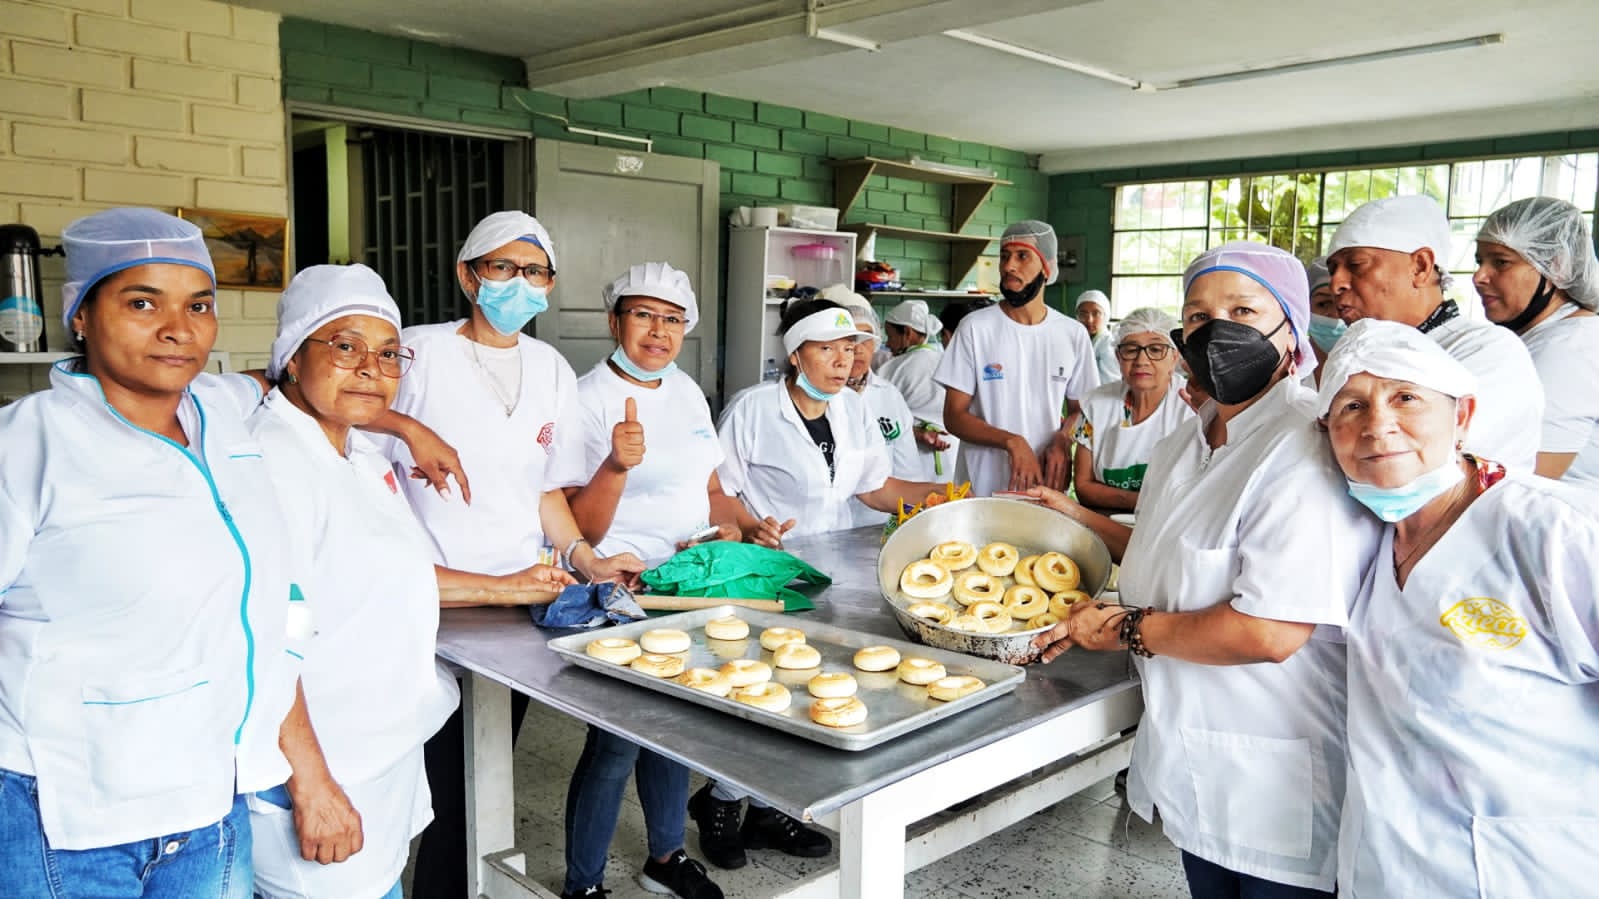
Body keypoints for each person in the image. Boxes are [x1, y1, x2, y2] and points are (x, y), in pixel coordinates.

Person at [1031, 242, 1381, 897]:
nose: (1216, 330)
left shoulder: (1302, 448)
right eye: (1196, 316)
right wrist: (1071, 527)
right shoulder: (1182, 444)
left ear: (1291, 331)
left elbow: (1269, 631)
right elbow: (1161, 554)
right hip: (1193, 761)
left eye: (1243, 311)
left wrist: (1125, 628)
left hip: (1275, 774)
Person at [0, 208, 295, 897]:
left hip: (214, 800)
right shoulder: (26, 444)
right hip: (70, 813)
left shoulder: (219, 414)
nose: (178, 329)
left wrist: (409, 429)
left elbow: (284, 377)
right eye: (141, 303)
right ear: (80, 314)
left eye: (199, 305)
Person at [398, 211, 644, 899]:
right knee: (424, 788)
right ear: (468, 276)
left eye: (534, 272)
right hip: (429, 597)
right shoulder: (417, 353)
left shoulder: (550, 369)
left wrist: (585, 557)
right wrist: (406, 424)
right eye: (503, 267)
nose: (519, 283)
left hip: (514, 605)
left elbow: (544, 491)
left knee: (478, 776)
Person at [1315, 318, 1599, 896]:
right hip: (1386, 869)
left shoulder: (1553, 532)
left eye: (1405, 397)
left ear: (1463, 416)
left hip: (1530, 871)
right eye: (1351, 406)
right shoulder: (1362, 540)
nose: (1378, 426)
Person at [247, 264, 460, 899]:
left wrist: (524, 585)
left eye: (389, 353)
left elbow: (390, 575)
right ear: (292, 358)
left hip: (371, 756)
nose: (371, 368)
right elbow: (262, 634)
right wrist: (311, 787)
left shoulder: (356, 453)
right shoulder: (272, 460)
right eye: (346, 346)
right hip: (316, 771)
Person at [556, 261, 731, 899]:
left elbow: (711, 489)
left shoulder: (687, 392)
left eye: (673, 319)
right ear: (615, 322)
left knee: (675, 724)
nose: (659, 331)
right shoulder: (583, 398)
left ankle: (665, 856)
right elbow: (577, 527)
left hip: (684, 583)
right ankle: (582, 885)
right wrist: (614, 464)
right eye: (644, 315)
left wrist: (739, 524)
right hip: (616, 589)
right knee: (617, 742)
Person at [1325, 195, 1543, 470]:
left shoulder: (1487, 352)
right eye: (1332, 270)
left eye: (1356, 265)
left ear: (1420, 267)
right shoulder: (1353, 357)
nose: (1336, 284)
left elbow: (1403, 464)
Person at [715, 298, 946, 547]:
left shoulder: (853, 406)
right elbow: (720, 490)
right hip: (772, 555)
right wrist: (752, 529)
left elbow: (874, 488)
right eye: (827, 348)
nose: (842, 361)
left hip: (834, 552)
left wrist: (942, 495)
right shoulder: (751, 409)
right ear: (795, 355)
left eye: (848, 348)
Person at [935, 221, 1099, 496]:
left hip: (1043, 487)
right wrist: (1012, 442)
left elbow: (1082, 410)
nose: (1009, 266)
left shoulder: (1072, 334)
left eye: (1022, 256)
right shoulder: (975, 328)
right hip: (981, 487)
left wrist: (1062, 439)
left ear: (1046, 267)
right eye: (1004, 256)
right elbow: (954, 416)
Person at [1473, 196, 1599, 482]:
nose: (1479, 276)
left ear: (1557, 267)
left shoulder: (1570, 350)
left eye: (1501, 262)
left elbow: (1525, 475)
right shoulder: (1543, 337)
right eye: (1480, 261)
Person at [1069, 307, 1194, 513]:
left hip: (1169, 524)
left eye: (1156, 350)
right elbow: (1083, 487)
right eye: (1130, 349)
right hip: (1104, 520)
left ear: (1175, 357)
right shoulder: (1095, 406)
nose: (1141, 361)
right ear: (1118, 357)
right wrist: (1144, 501)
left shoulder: (1191, 407)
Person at [832, 290, 924, 527]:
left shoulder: (889, 396)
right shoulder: (818, 397)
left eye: (866, 338)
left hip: (879, 525)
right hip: (828, 526)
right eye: (850, 339)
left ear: (876, 343)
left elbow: (908, 470)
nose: (858, 349)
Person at [879, 298, 957, 480]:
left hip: (912, 454)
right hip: (951, 451)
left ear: (907, 332)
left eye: (890, 336)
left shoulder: (892, 369)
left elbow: (879, 417)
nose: (888, 344)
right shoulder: (946, 361)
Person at [1304, 256, 1345, 373]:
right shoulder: (1285, 372)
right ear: (1306, 308)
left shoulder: (1375, 370)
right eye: (1323, 304)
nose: (1335, 314)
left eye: (1344, 305)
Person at [1074, 289, 1121, 384]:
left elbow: (1110, 383)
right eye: (1083, 314)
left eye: (1096, 313)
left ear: (1106, 316)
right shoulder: (1076, 340)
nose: (1089, 320)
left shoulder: (1109, 344)